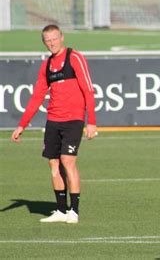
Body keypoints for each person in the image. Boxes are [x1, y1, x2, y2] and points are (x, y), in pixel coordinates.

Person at [11, 24, 97, 224]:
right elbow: (37, 97)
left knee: (68, 162)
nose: (51, 43)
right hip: (53, 121)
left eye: (54, 39)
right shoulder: (47, 66)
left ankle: (73, 211)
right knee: (53, 164)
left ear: (62, 37)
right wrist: (22, 125)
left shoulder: (74, 57)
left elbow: (88, 90)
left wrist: (91, 122)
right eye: (47, 41)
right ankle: (60, 210)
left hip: (73, 119)